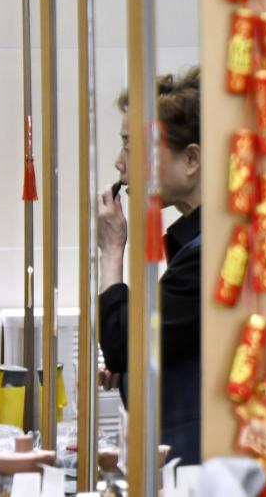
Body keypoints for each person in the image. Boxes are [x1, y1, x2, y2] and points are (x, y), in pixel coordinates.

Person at [97, 67, 202, 465]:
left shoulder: (210, 254)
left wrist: (112, 250)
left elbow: (123, 345)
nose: (119, 162)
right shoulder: (194, 244)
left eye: (131, 145)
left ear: (190, 159)